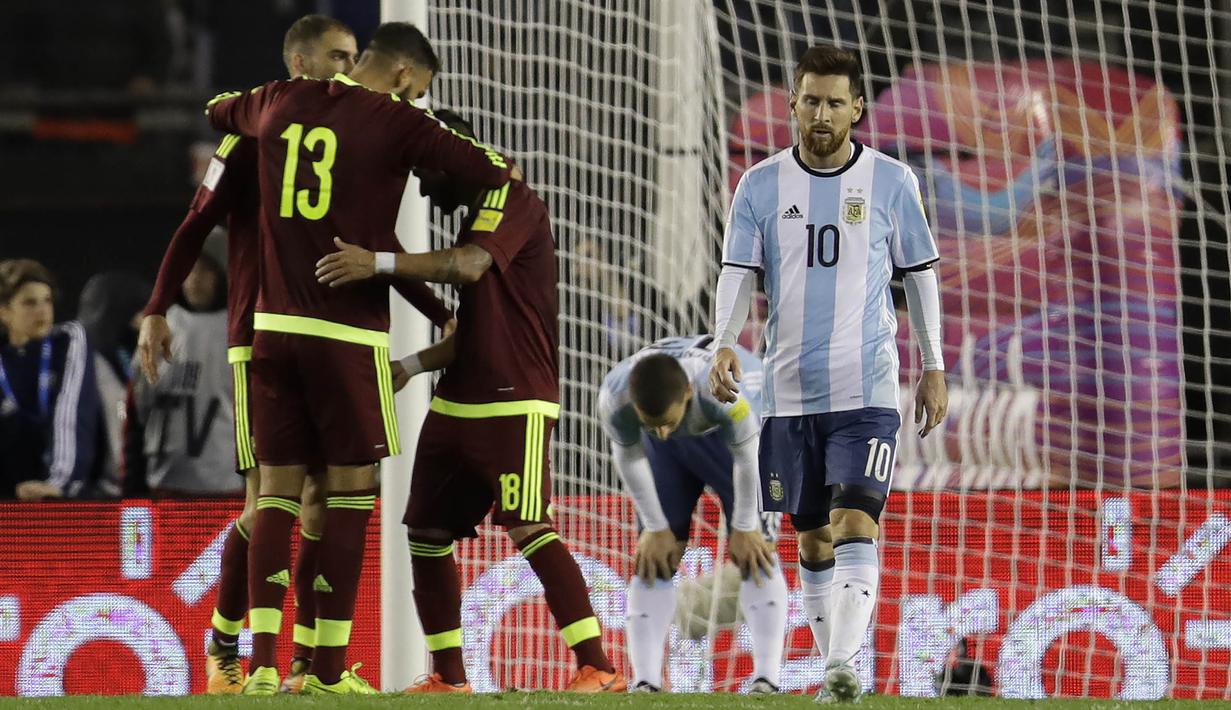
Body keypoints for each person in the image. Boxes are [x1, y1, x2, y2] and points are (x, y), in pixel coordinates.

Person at [204, 24, 514, 695]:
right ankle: (318, 669)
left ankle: (259, 665)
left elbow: (211, 142)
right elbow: (492, 168)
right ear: (405, 77)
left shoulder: (275, 104)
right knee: (345, 496)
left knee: (275, 497)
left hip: (265, 328)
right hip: (345, 337)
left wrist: (154, 310)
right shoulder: (391, 121)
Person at [315, 109, 625, 694]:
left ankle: (598, 666)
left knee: (529, 525)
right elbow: (473, 331)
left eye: (427, 172)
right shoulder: (474, 216)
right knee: (425, 533)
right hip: (457, 400)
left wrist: (376, 263)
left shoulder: (512, 198)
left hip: (515, 401)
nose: (424, 187)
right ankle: (449, 679)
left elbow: (469, 266)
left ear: (451, 159)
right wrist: (411, 365)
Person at [708, 45, 948, 703]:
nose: (820, 114)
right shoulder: (757, 184)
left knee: (854, 522)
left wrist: (933, 366)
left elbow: (919, 274)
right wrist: (723, 344)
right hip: (786, 393)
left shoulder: (892, 180)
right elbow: (737, 273)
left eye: (834, 103)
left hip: (865, 386)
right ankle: (834, 671)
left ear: (856, 108)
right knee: (811, 539)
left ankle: (841, 664)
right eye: (810, 100)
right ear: (792, 103)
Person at [597, 334, 786, 695]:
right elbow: (629, 454)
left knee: (757, 551)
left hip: (742, 440)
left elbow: (749, 454)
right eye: (651, 424)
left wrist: (745, 526)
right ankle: (646, 682)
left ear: (686, 392)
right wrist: (655, 527)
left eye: (666, 422)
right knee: (654, 555)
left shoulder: (724, 390)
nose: (663, 432)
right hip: (672, 455)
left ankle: (767, 679)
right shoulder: (615, 397)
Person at [124, 233, 242, 496]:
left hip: (224, 486)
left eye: (206, 271)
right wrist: (133, 481)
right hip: (163, 483)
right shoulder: (160, 325)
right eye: (189, 270)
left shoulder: (240, 331)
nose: (195, 280)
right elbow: (136, 411)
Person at [0, 259, 99, 500]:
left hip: (57, 499)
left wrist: (57, 483)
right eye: (29, 303)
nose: (43, 310)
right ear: (4, 312)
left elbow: (70, 414)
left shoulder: (68, 341)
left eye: (47, 300)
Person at [78, 271, 150, 496]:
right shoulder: (84, 363)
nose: (146, 318)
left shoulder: (131, 356)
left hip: (131, 488)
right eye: (140, 309)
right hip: (95, 493)